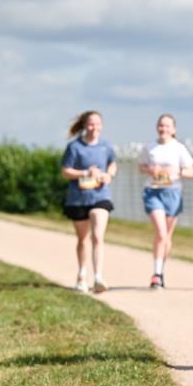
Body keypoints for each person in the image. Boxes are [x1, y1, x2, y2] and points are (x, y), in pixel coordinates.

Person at [60, 111, 117, 293]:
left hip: (100, 196)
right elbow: (65, 171)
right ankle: (82, 275)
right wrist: (85, 173)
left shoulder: (106, 146)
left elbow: (112, 164)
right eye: (91, 124)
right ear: (85, 126)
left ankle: (98, 277)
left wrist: (108, 175)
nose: (95, 128)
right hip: (78, 198)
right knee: (83, 239)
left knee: (98, 236)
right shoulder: (74, 147)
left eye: (98, 124)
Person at [139, 113, 193, 289]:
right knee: (161, 233)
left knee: (167, 237)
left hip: (173, 193)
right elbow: (141, 166)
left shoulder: (179, 148)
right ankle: (156, 273)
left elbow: (191, 172)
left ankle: (161, 271)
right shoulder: (150, 148)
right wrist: (150, 170)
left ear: (174, 129)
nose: (164, 129)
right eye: (161, 125)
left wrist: (176, 171)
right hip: (153, 191)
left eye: (167, 126)